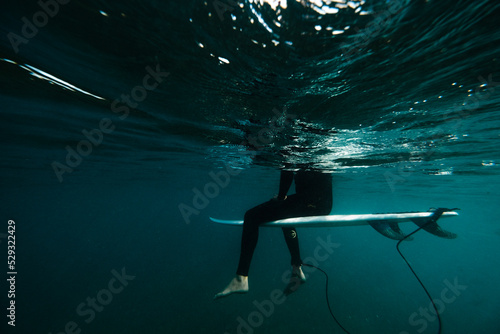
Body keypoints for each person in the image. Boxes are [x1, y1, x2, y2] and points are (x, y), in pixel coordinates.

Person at [214, 169, 332, 299]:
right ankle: (296, 267)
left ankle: (241, 278)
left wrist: (281, 197)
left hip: (310, 202)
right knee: (283, 215)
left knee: (251, 216)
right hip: (321, 203)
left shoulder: (290, 147)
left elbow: (287, 169)